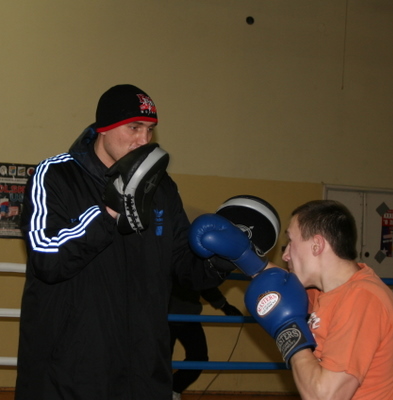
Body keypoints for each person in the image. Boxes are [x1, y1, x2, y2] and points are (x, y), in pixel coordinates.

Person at [14, 84, 235, 400]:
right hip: (69, 374)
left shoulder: (162, 188)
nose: (144, 139)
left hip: (142, 371)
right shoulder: (55, 176)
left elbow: (185, 267)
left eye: (149, 129)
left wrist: (221, 258)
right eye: (134, 127)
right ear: (104, 127)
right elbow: (47, 259)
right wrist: (108, 213)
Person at [190, 200, 393, 400]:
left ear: (317, 245)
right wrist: (243, 255)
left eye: (291, 242)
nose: (285, 256)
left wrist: (289, 331)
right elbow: (276, 282)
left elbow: (326, 396)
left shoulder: (362, 299)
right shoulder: (324, 292)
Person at [169, 282, 242, 400]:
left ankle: (173, 388)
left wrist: (225, 306)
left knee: (199, 358)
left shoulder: (193, 270)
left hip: (189, 317)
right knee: (160, 360)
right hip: (163, 317)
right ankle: (163, 390)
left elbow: (203, 283)